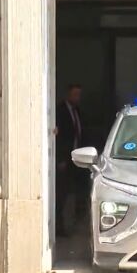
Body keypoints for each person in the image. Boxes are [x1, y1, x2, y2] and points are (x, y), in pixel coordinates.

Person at [55, 84, 87, 236]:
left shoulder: (78, 111)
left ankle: (76, 224)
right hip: (65, 159)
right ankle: (59, 227)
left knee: (79, 191)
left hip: (78, 158)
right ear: (68, 94)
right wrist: (61, 159)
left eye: (79, 95)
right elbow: (59, 138)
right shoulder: (60, 111)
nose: (77, 98)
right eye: (74, 94)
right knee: (62, 194)